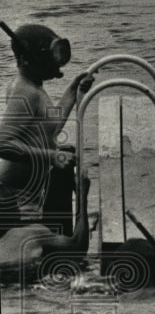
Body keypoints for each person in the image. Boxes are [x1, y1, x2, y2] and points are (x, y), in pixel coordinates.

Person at [0, 23, 94, 236]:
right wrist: (52, 157)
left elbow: (49, 125)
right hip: (14, 207)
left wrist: (73, 91)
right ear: (26, 60)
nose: (56, 62)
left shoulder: (34, 87)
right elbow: (2, 144)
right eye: (51, 55)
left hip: (27, 202)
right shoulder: (26, 92)